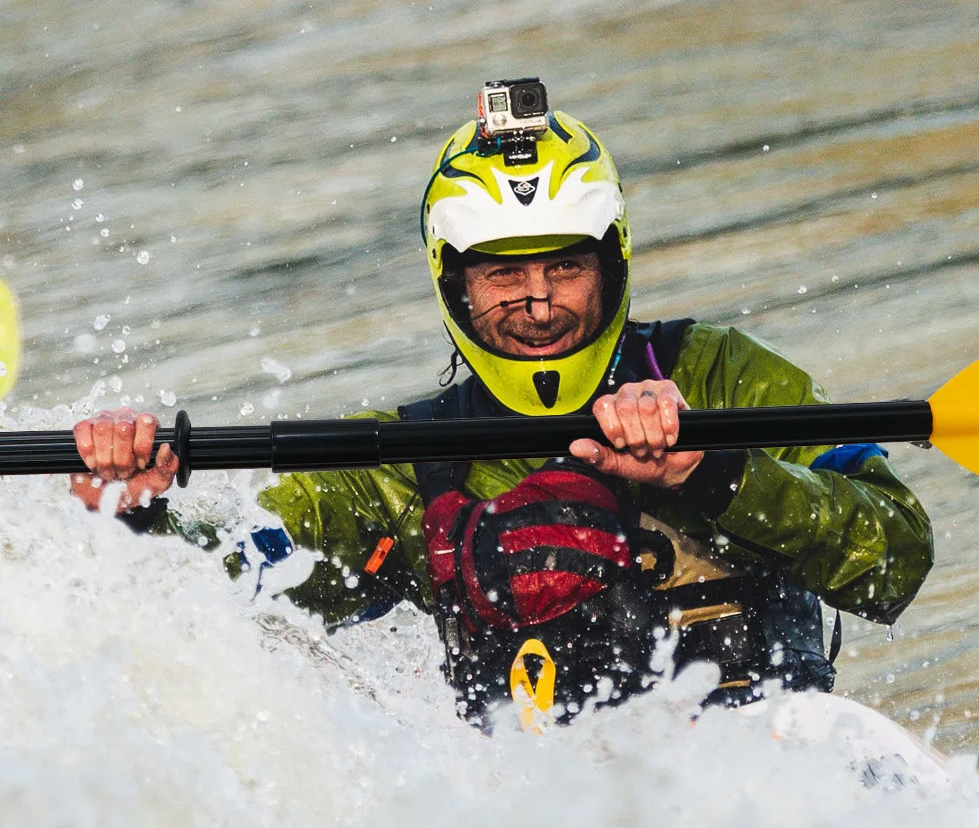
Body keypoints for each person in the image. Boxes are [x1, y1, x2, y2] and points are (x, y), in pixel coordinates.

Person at [71, 82, 933, 723]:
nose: (539, 303)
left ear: (612, 263)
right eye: (503, 276)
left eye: (564, 268)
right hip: (555, 814)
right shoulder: (402, 465)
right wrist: (136, 514)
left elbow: (898, 558)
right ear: (455, 284)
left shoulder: (720, 377)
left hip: (786, 756)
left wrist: (707, 474)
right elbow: (236, 594)